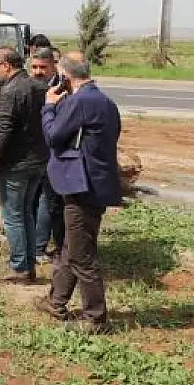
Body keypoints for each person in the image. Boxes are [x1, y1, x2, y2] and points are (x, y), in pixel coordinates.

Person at [33, 52, 122, 333]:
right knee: (72, 247)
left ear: (65, 77)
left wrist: (49, 107)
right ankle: (56, 301)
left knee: (82, 255)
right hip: (94, 183)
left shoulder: (80, 101)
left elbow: (53, 136)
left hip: (82, 187)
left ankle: (96, 318)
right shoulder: (105, 102)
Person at [0, 46, 49, 284]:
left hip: (15, 165)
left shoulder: (11, 92)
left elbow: (4, 130)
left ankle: (20, 267)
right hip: (37, 161)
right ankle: (28, 265)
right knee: (26, 214)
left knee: (13, 216)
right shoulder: (39, 87)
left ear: (6, 65)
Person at [29, 48, 65, 263]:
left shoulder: (60, 89)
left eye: (43, 67)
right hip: (32, 153)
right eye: (34, 67)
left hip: (52, 153)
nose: (38, 71)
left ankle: (39, 246)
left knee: (48, 200)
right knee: (35, 199)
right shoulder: (30, 85)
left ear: (53, 66)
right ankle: (35, 244)